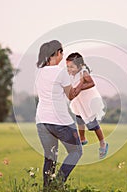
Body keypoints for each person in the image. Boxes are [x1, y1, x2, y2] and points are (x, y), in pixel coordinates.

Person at [35, 40, 85, 189]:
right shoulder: (60, 72)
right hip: (60, 121)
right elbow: (71, 95)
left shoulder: (40, 72)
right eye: (62, 52)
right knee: (76, 151)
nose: (63, 55)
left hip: (42, 121)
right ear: (57, 53)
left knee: (50, 157)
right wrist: (82, 81)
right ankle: (57, 184)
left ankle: (47, 188)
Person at [66, 52, 109, 159]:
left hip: (87, 103)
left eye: (72, 67)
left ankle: (103, 143)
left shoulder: (83, 72)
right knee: (79, 120)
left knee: (92, 125)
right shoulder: (71, 74)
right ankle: (82, 139)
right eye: (67, 66)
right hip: (79, 103)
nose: (69, 69)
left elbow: (92, 83)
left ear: (79, 66)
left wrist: (80, 88)